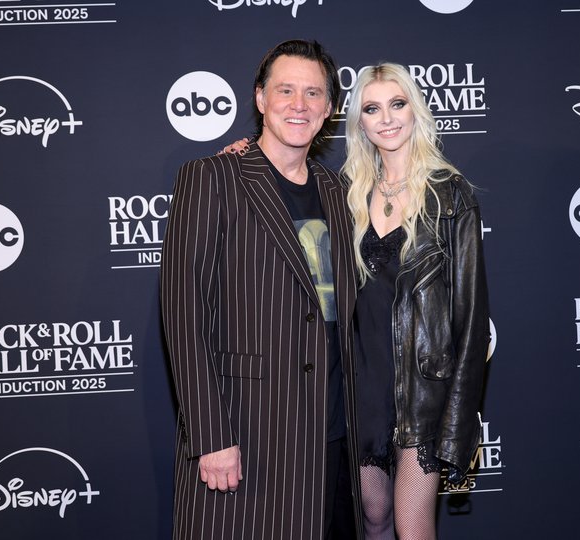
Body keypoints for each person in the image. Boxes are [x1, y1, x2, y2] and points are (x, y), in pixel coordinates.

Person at [160, 39, 362, 540]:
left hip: (334, 434)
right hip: (248, 434)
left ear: (329, 108)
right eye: (285, 90)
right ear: (259, 98)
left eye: (313, 93)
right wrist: (210, 436)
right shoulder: (212, 178)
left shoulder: (338, 191)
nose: (299, 105)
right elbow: (185, 317)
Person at [342, 63, 490, 540]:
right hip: (359, 389)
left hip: (424, 394)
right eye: (372, 107)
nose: (386, 118)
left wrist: (456, 421)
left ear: (415, 111)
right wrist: (240, 155)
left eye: (397, 103)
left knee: (412, 528)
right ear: (359, 122)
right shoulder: (342, 196)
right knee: (374, 519)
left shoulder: (451, 196)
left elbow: (471, 319)